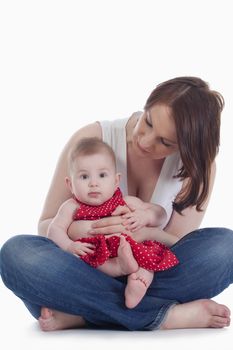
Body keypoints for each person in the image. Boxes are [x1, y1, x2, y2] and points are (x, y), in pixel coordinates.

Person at [1, 76, 233, 332]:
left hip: (147, 275)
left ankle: (84, 316)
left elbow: (178, 248)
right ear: (151, 97)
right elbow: (45, 226)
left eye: (165, 143)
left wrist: (144, 232)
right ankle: (166, 317)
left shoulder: (197, 169)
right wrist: (81, 231)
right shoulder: (92, 139)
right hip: (88, 268)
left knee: (226, 247)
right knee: (17, 253)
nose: (145, 141)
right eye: (148, 122)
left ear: (187, 147)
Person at [47, 137, 179, 310]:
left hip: (131, 254)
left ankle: (139, 283)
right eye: (84, 176)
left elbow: (160, 214)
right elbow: (54, 229)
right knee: (81, 261)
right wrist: (69, 246)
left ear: (116, 181)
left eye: (102, 175)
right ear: (70, 184)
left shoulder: (126, 202)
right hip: (96, 263)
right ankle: (119, 270)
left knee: (148, 258)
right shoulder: (72, 207)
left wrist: (146, 216)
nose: (93, 183)